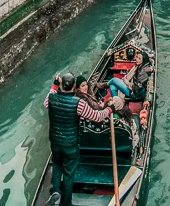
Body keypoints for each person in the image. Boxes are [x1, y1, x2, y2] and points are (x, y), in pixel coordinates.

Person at [44, 72, 116, 206]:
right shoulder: (78, 103)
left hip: (55, 142)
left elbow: (46, 102)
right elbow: (97, 116)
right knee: (68, 174)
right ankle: (66, 203)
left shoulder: (52, 98)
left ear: (61, 85)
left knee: (57, 164)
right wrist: (110, 109)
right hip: (70, 145)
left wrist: (54, 84)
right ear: (74, 87)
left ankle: (55, 191)